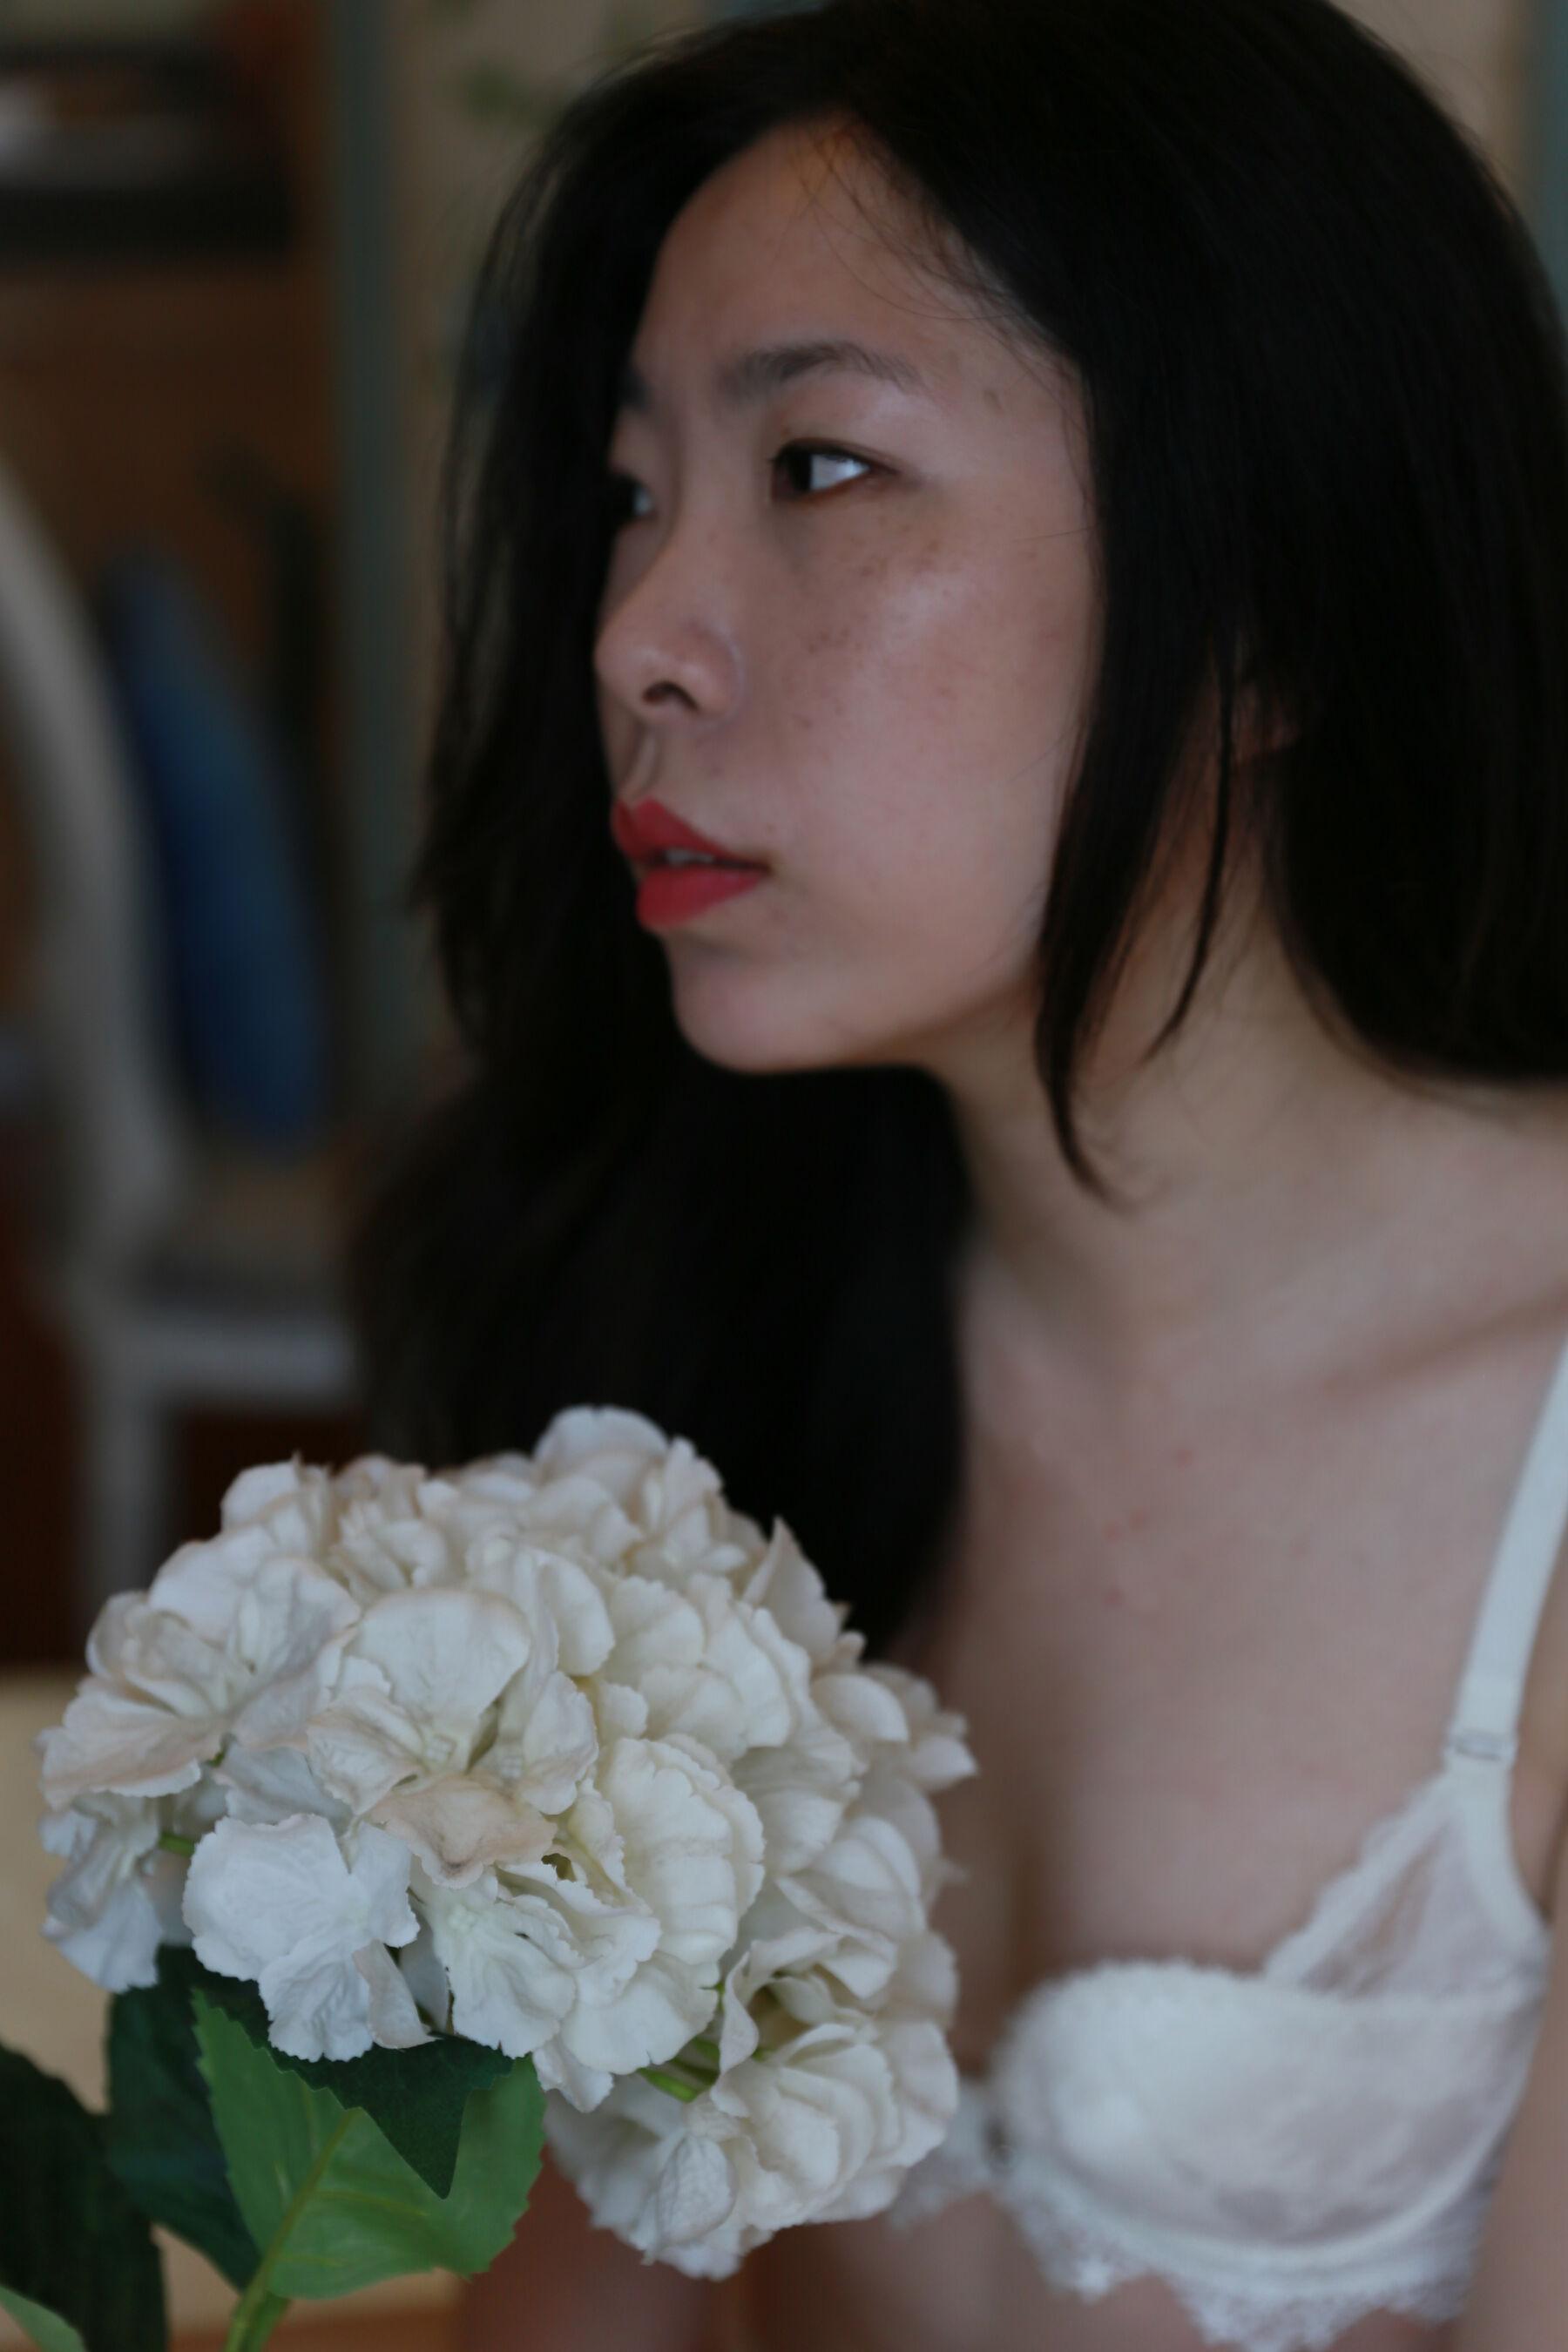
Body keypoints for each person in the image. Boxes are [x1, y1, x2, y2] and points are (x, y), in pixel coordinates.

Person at [345, 0, 1568, 2343]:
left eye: (820, 468)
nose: (637, 637)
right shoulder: (690, 1359)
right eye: (632, 494)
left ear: (1273, 600)